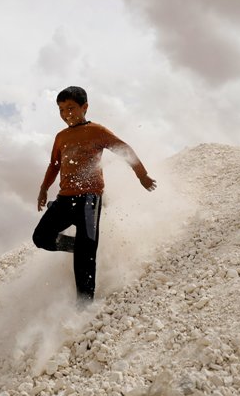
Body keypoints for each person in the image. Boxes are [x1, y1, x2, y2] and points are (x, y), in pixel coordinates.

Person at [34, 86, 156, 303]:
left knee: (85, 259)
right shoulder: (61, 137)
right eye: (61, 110)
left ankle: (84, 308)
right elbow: (54, 165)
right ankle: (79, 246)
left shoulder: (96, 131)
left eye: (70, 108)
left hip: (89, 200)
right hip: (65, 198)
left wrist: (142, 175)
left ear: (85, 107)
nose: (66, 114)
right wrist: (44, 188)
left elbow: (124, 149)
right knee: (41, 237)